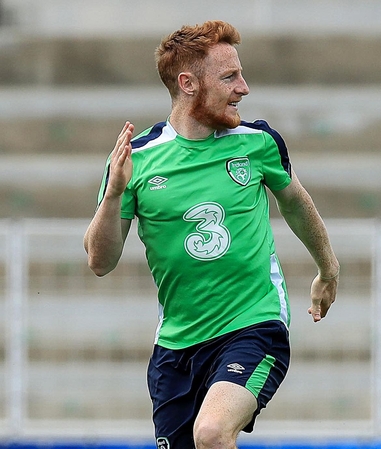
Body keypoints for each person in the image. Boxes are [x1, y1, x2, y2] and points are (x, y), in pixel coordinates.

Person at [83, 20, 340, 449]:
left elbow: (295, 201)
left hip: (253, 327)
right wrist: (113, 195)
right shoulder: (138, 160)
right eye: (229, 77)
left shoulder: (257, 142)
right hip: (175, 349)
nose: (244, 87)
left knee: (212, 433)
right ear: (188, 83)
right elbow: (99, 262)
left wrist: (328, 269)